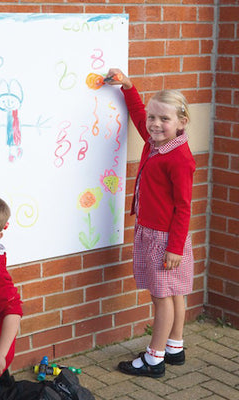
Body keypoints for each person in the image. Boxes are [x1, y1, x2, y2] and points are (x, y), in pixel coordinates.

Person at [0, 191, 94, 400]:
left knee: (1, 394)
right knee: (6, 393)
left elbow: (13, 311)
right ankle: (55, 391)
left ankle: (54, 394)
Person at [105, 69, 196, 378]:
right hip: (163, 237)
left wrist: (174, 248)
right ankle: (174, 347)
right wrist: (129, 87)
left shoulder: (178, 159)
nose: (155, 124)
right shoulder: (156, 141)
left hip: (164, 238)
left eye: (164, 119)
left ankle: (154, 358)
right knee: (175, 293)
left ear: (182, 123)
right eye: (154, 118)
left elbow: (184, 207)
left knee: (162, 297)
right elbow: (140, 115)